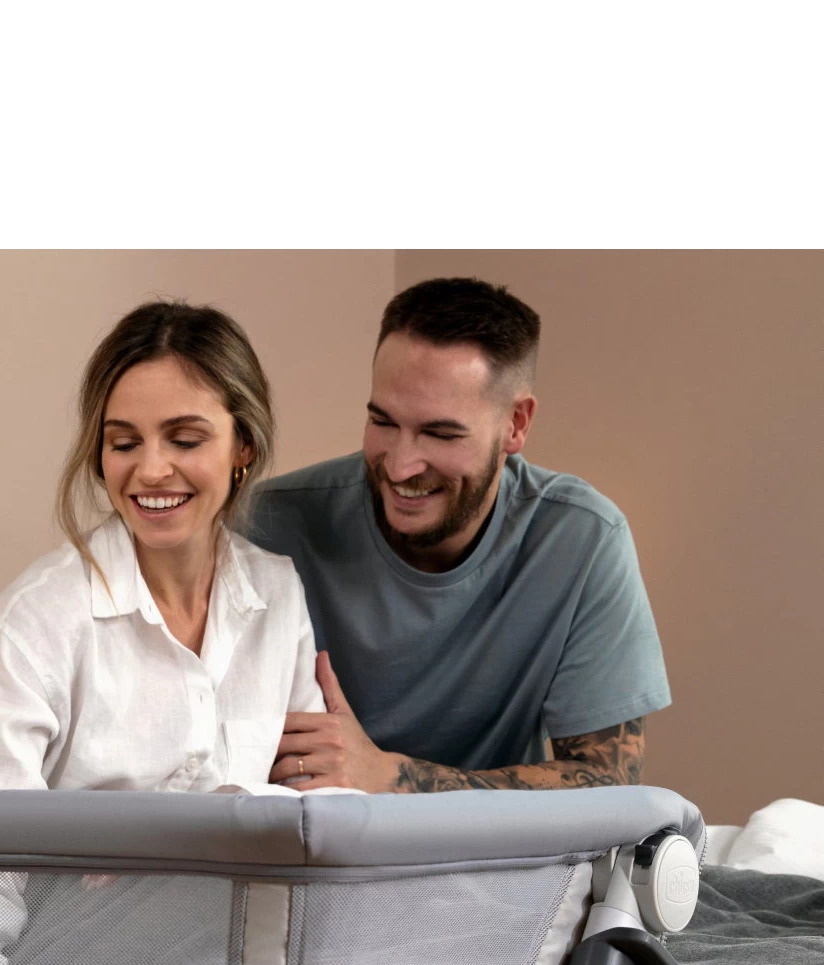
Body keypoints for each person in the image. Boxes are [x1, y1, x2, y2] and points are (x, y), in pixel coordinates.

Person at [0, 299, 327, 965]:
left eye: (184, 439)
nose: (151, 470)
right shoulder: (43, 613)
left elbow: (312, 806)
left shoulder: (277, 594)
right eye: (124, 443)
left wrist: (198, 826)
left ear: (243, 445)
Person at [248, 276, 671, 794]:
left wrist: (393, 779)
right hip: (314, 833)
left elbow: (609, 781)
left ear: (516, 423)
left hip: (501, 845)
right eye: (384, 422)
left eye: (440, 434)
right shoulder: (267, 524)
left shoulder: (582, 541)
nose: (400, 466)